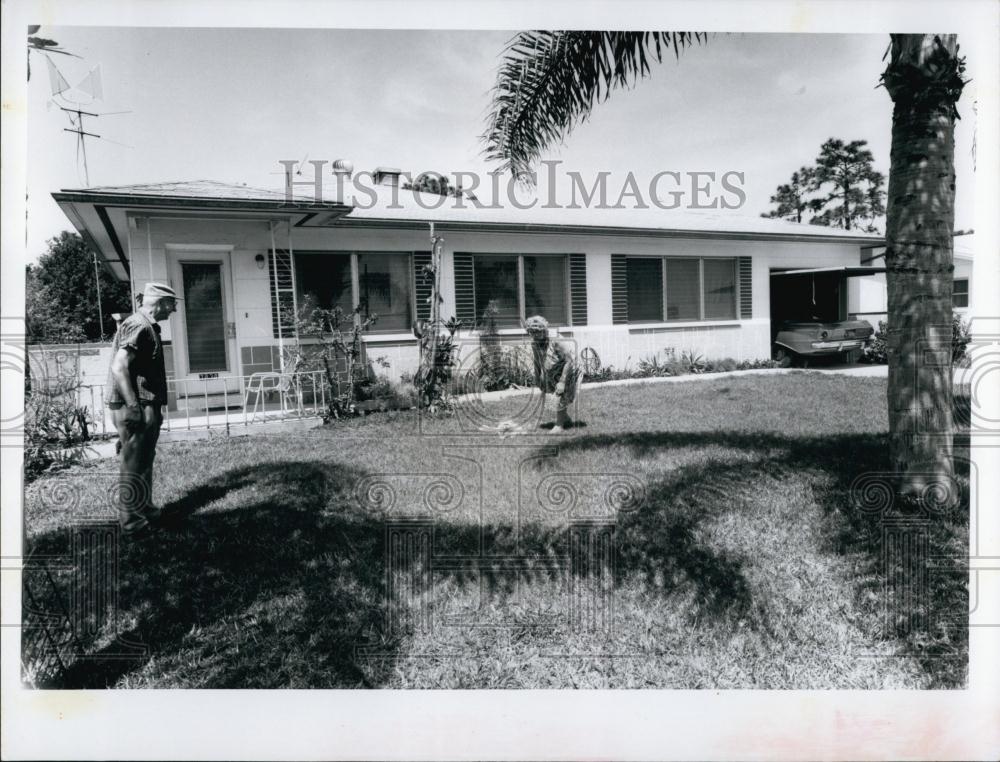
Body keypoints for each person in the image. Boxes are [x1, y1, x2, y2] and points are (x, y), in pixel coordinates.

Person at [105, 283, 180, 537]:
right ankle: (130, 522)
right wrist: (134, 406)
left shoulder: (146, 325)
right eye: (172, 303)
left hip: (146, 403)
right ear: (159, 303)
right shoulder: (140, 325)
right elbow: (119, 367)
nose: (174, 309)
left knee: (145, 458)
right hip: (136, 405)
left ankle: (144, 508)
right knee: (133, 461)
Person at [524, 315, 579, 433]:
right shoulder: (534, 344)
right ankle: (565, 418)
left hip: (568, 369)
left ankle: (559, 425)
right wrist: (538, 376)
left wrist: (563, 381)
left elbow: (569, 361)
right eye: (532, 332)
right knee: (553, 393)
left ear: (544, 330)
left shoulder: (556, 342)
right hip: (554, 371)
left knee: (560, 394)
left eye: (538, 331)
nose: (535, 334)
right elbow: (537, 360)